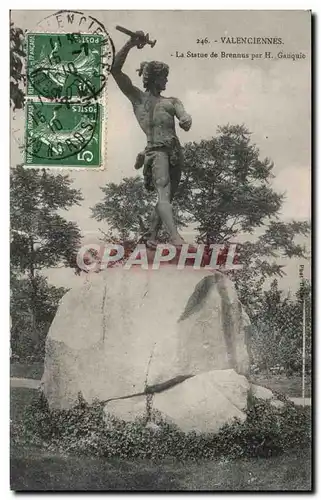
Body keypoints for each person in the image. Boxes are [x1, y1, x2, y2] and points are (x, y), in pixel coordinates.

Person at [111, 31, 192, 248]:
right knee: (164, 193)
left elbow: (184, 115)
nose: (166, 80)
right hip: (156, 152)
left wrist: (186, 120)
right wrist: (130, 43)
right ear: (155, 78)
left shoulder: (171, 101)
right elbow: (115, 71)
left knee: (167, 197)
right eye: (164, 76)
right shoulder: (138, 99)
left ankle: (152, 238)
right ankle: (175, 238)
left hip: (175, 151)